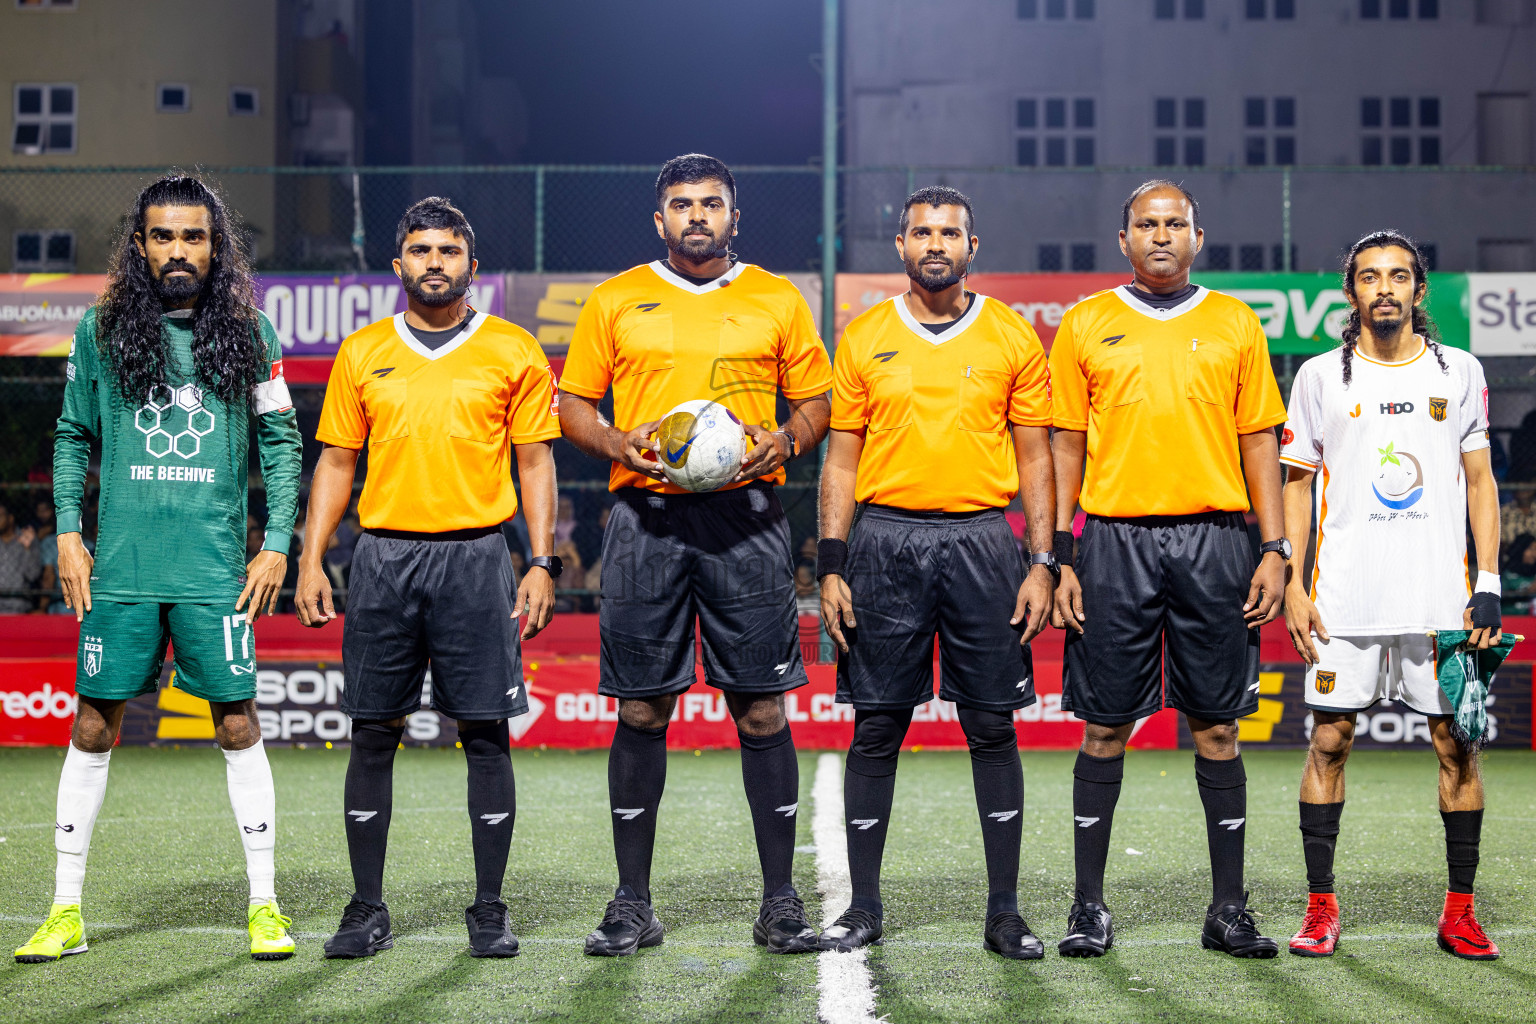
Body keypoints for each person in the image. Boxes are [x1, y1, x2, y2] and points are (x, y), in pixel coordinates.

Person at [15, 175, 302, 964]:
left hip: (213, 575)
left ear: (216, 245)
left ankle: (265, 905)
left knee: (238, 723)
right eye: (164, 236)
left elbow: (281, 443)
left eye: (194, 236)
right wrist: (67, 533)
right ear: (140, 244)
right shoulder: (101, 329)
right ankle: (65, 911)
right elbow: (73, 434)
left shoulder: (251, 332)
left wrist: (278, 540)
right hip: (124, 571)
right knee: (93, 725)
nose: (179, 250)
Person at [560, 153, 832, 956]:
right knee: (641, 709)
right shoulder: (615, 299)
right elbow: (572, 405)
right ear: (660, 220)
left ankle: (780, 902)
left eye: (712, 203)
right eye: (682, 204)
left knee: (761, 708)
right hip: (645, 519)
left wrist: (787, 439)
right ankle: (632, 902)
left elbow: (816, 403)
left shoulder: (778, 298)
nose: (697, 216)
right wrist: (616, 440)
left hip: (745, 519)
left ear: (734, 216)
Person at [297, 197, 560, 960]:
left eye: (448, 250)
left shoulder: (512, 348)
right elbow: (337, 461)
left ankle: (489, 908)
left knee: (485, 733)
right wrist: (311, 557)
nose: (434, 262)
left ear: (472, 265)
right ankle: (366, 908)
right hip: (383, 559)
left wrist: (541, 561)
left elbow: (535, 461)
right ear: (398, 265)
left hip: (477, 558)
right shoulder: (362, 351)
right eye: (421, 250)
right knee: (372, 732)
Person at [1050, 180, 1288, 959]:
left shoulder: (1234, 321)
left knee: (1217, 725)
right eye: (1146, 224)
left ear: (1197, 236)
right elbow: (1065, 444)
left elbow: (1260, 441)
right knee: (1105, 725)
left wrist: (1275, 548)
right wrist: (1058, 554)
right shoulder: (1085, 322)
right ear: (1123, 239)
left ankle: (1228, 910)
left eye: (1175, 223)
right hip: (1112, 541)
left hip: (1215, 540)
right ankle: (1089, 907)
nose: (1161, 235)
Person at [817, 187, 1056, 959]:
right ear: (901, 245)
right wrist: (831, 563)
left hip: (984, 540)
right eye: (922, 232)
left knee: (991, 724)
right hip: (884, 541)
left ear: (971, 246)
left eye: (949, 233)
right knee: (877, 725)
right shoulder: (864, 336)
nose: (935, 244)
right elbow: (842, 459)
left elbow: (1035, 458)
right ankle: (863, 906)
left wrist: (1043, 561)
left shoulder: (1012, 335)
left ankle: (1005, 912)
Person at [1280, 231, 1505, 961]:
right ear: (1351, 292)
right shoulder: (1319, 376)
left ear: (1418, 290)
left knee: (1457, 747)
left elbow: (1481, 482)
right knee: (1329, 742)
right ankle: (1320, 909)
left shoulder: (1459, 370)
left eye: (1399, 276)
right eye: (1371, 277)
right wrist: (1293, 583)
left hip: (1441, 602)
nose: (1385, 288)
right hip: (1343, 601)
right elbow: (1296, 485)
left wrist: (1489, 584)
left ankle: (1461, 913)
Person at [0, 502, 41, 614]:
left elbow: (33, 575)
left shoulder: (27, 538)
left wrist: (28, 549)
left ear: (10, 518)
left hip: (19, 605)